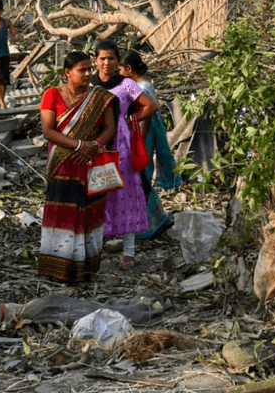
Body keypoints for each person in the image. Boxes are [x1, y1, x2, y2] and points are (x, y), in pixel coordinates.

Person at [38, 51, 117, 283]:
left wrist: (94, 145)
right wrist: (79, 145)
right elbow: (48, 130)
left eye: (88, 69)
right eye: (81, 70)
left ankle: (86, 269)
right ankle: (56, 268)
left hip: (90, 165)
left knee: (88, 214)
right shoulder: (52, 95)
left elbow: (109, 128)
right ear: (67, 73)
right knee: (61, 214)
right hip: (62, 165)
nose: (86, 73)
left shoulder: (99, 97)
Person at [91, 41, 160, 268]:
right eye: (102, 58)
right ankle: (94, 250)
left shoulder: (127, 84)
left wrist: (129, 121)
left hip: (120, 144)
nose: (107, 62)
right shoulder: (88, 83)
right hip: (93, 143)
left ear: (117, 62)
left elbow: (150, 106)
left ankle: (129, 253)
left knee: (125, 194)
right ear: (95, 60)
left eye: (111, 58)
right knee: (96, 193)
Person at [119, 50, 182, 240]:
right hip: (144, 140)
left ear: (129, 69)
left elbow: (145, 119)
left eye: (120, 70)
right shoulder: (145, 85)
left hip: (142, 141)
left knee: (140, 181)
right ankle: (150, 221)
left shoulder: (142, 89)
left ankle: (153, 222)